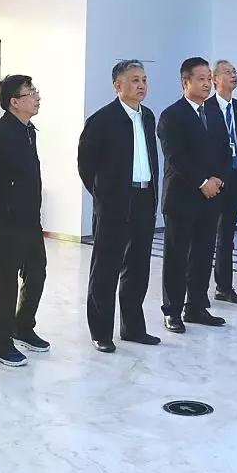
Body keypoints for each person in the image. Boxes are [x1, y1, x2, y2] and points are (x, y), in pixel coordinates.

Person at [78, 60, 161, 353]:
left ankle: (133, 328)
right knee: (106, 268)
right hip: (113, 203)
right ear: (118, 85)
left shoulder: (147, 116)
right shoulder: (102, 120)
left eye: (144, 79)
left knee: (138, 268)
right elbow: (86, 165)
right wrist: (103, 195)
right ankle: (101, 332)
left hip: (144, 198)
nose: (141, 85)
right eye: (135, 79)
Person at [0, 75, 49, 366]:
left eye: (35, 91)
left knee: (37, 273)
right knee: (5, 281)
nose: (36, 96)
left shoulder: (28, 130)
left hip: (30, 218)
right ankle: (1, 342)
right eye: (30, 92)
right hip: (6, 220)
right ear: (15, 102)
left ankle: (23, 327)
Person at [156, 57, 230, 334]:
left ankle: (196, 307)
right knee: (177, 257)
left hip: (211, 197)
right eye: (201, 78)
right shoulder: (171, 115)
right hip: (182, 198)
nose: (207, 83)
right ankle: (172, 311)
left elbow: (225, 150)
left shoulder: (214, 113)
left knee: (203, 254)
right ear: (185, 82)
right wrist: (202, 181)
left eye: (209, 78)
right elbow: (176, 156)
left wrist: (218, 179)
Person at [205, 60, 237, 305]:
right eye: (227, 72)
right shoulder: (206, 108)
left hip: (235, 179)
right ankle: (198, 291)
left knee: (227, 236)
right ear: (214, 79)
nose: (233, 75)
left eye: (235, 72)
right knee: (205, 236)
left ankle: (224, 287)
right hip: (212, 181)